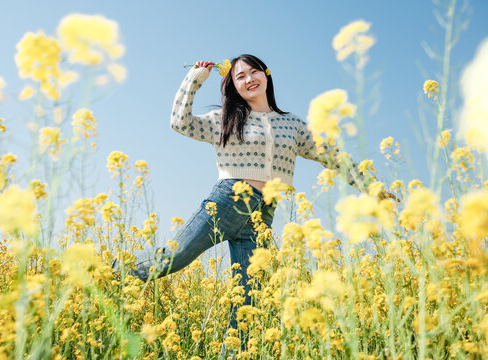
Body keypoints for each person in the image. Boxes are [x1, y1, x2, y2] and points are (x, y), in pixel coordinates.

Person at [113, 54, 395, 359]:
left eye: (254, 72)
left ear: (266, 75)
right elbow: (180, 123)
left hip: (263, 215)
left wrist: (372, 188)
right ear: (234, 86)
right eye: (240, 77)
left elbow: (332, 156)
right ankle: (112, 271)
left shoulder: (293, 125)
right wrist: (195, 78)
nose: (249, 80)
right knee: (174, 258)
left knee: (248, 302)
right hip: (227, 201)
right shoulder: (226, 118)